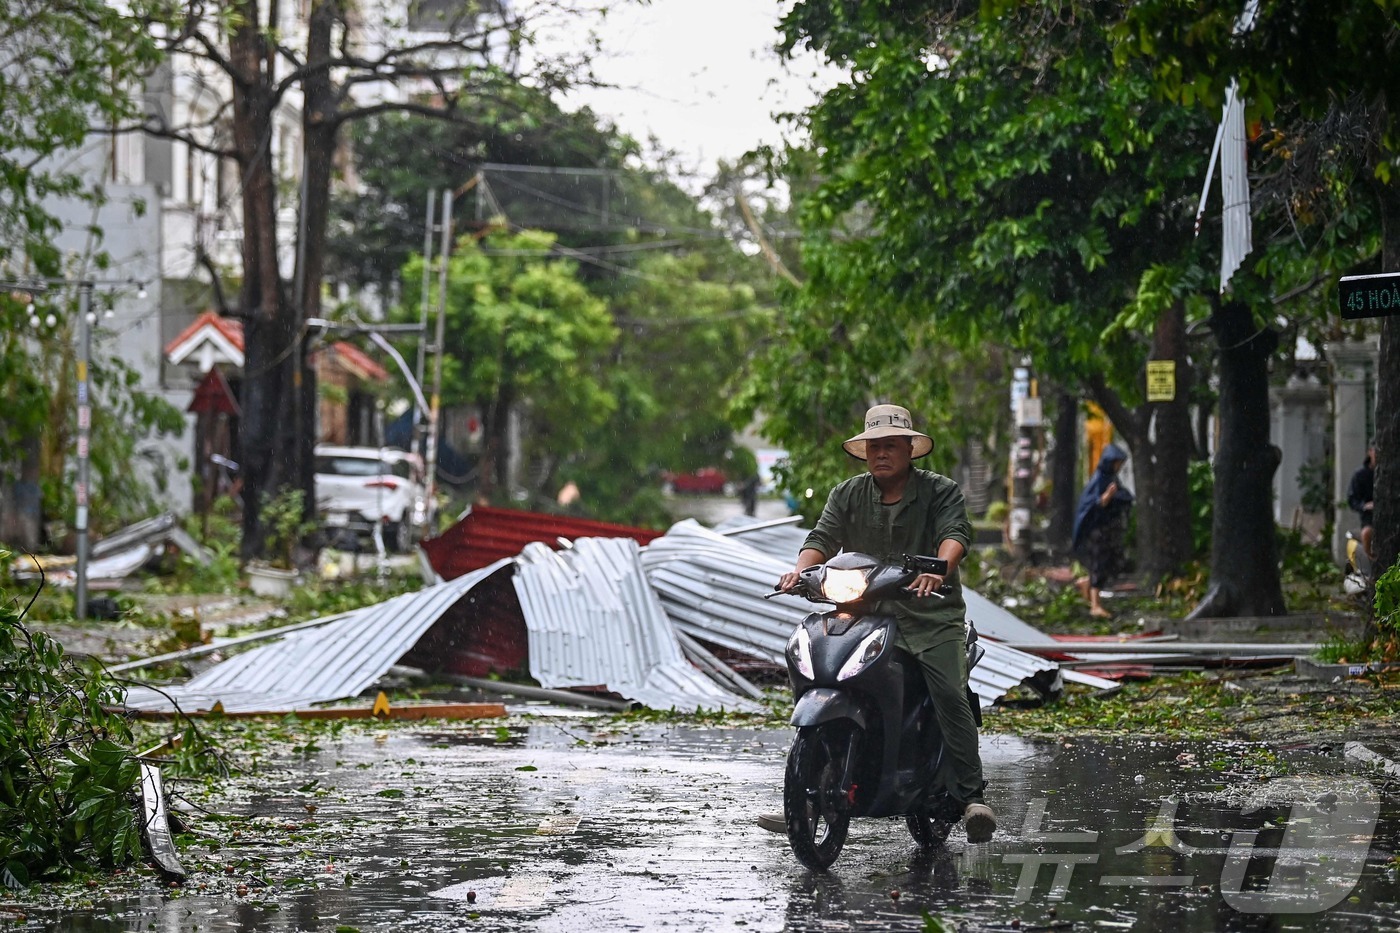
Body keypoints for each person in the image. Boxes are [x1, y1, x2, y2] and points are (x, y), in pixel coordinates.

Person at [758, 403, 996, 844]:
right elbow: (820, 540)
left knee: (947, 689)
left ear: (910, 449)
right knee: (820, 672)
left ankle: (971, 796)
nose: (881, 454)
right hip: (863, 612)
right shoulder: (847, 493)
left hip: (929, 614)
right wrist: (800, 570)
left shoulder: (940, 491)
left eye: (890, 445)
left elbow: (955, 535)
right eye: (874, 447)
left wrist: (939, 568)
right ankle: (806, 791)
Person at [1072, 443, 1135, 619]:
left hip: (1110, 531)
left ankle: (1087, 583)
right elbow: (1090, 505)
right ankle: (1095, 605)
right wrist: (1104, 500)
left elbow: (1123, 496)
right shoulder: (1098, 480)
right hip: (1097, 532)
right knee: (1099, 564)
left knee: (1111, 564)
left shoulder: (1112, 480)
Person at [1347, 442, 1376, 563]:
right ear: (1370, 452)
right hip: (1369, 518)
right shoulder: (1360, 475)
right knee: (1367, 533)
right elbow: (1352, 500)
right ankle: (1370, 562)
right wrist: (1365, 506)